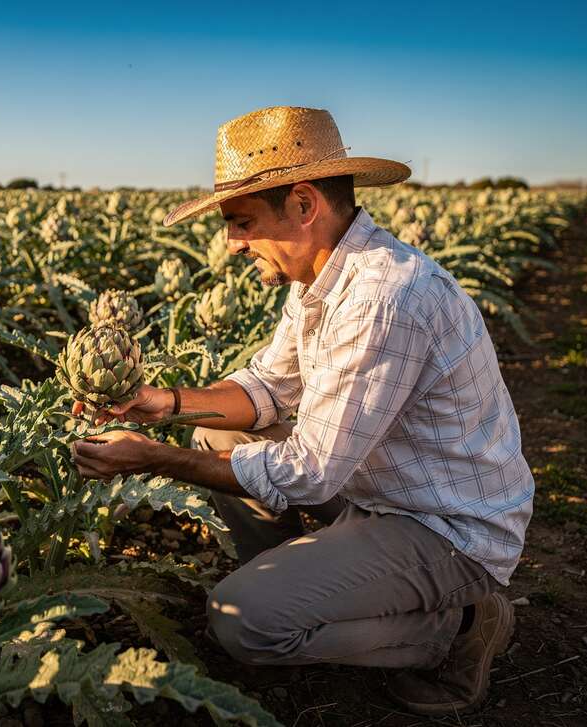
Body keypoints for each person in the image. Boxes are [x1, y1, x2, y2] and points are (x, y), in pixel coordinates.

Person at [70, 106, 533, 715]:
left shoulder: (383, 299)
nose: (231, 244)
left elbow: (309, 471)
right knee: (218, 436)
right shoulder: (319, 280)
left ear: (304, 205)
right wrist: (164, 405)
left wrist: (151, 459)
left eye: (240, 223)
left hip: (447, 526)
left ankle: (458, 626)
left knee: (243, 623)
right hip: (382, 489)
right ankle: (314, 586)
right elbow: (266, 389)